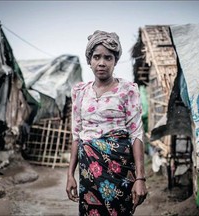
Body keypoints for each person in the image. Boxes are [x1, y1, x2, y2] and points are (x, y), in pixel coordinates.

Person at [66, 30, 147, 216]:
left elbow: (136, 134)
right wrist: (70, 175)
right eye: (96, 57)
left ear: (115, 61)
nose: (102, 62)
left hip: (119, 169)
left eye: (108, 58)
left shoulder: (128, 90)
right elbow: (76, 135)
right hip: (89, 172)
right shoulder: (80, 92)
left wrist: (140, 178)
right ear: (89, 60)